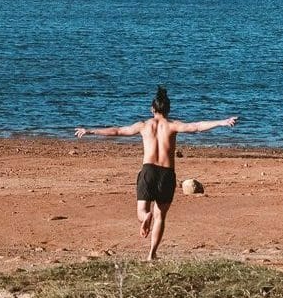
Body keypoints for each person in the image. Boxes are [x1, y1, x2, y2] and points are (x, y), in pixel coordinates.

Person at [75, 86, 237, 261]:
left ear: (152, 109)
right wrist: (221, 122)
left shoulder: (144, 125)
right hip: (166, 173)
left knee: (141, 210)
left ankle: (146, 217)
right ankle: (151, 254)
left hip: (149, 171)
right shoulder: (173, 125)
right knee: (160, 217)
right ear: (168, 109)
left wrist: (91, 131)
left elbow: (118, 131)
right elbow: (197, 126)